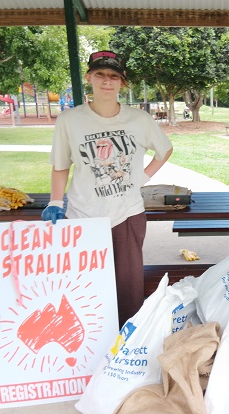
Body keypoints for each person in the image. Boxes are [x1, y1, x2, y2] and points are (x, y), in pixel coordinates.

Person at [41, 50, 173, 328]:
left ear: (122, 83)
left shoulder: (139, 119)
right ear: (89, 77)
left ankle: (122, 352)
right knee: (83, 290)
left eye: (114, 76)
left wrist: (143, 177)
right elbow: (61, 165)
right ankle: (85, 348)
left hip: (126, 216)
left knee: (128, 292)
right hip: (82, 217)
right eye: (100, 74)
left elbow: (165, 149)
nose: (106, 81)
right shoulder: (69, 120)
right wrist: (55, 201)